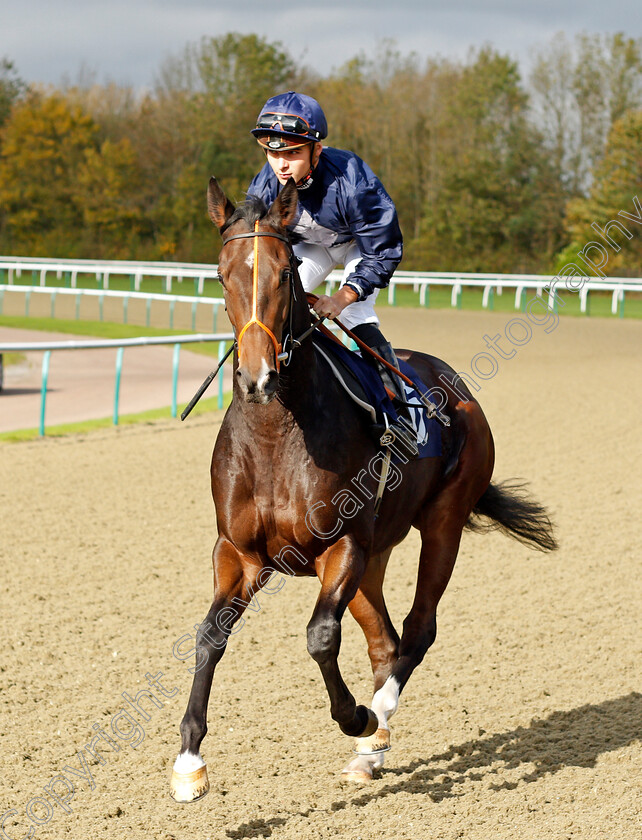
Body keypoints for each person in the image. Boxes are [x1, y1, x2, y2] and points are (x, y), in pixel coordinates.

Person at [248, 90, 418, 455]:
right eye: (274, 153)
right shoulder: (264, 185)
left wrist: (341, 297)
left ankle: (398, 412)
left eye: (293, 153)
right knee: (277, 302)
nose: (281, 165)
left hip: (359, 246)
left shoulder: (352, 182)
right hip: (311, 246)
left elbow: (383, 252)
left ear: (316, 151)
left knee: (355, 313)